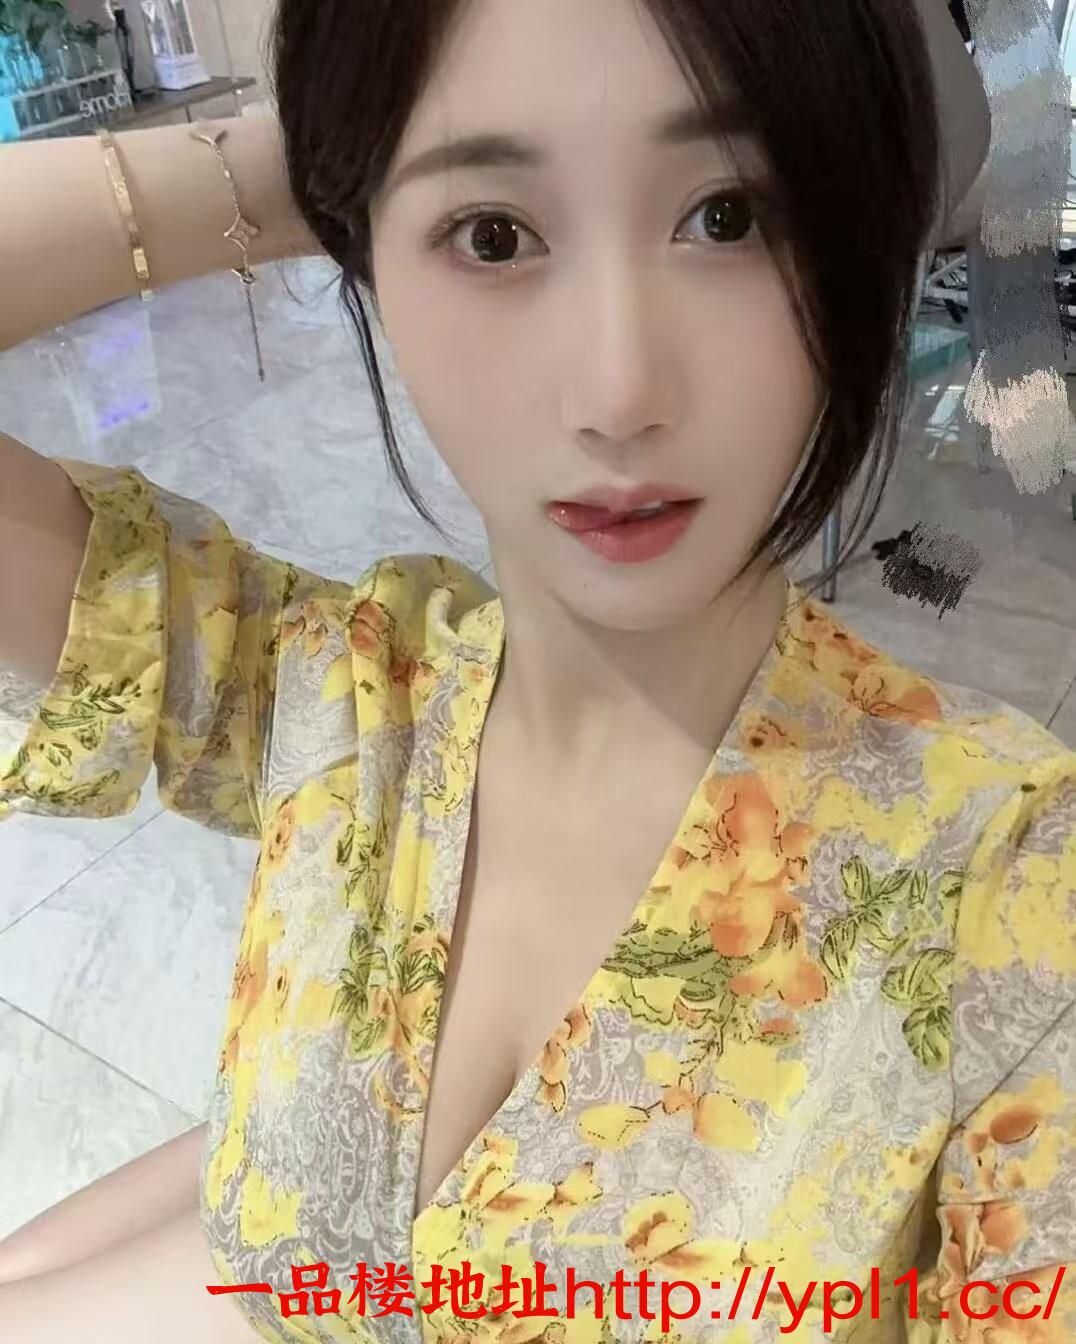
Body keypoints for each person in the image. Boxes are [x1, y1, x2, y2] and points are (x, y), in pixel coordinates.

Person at [0, 1, 1071, 1341]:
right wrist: (316, 156)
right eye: (495, 236)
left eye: (728, 216)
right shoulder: (336, 699)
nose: (618, 393)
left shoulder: (1013, 902)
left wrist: (445, 167)